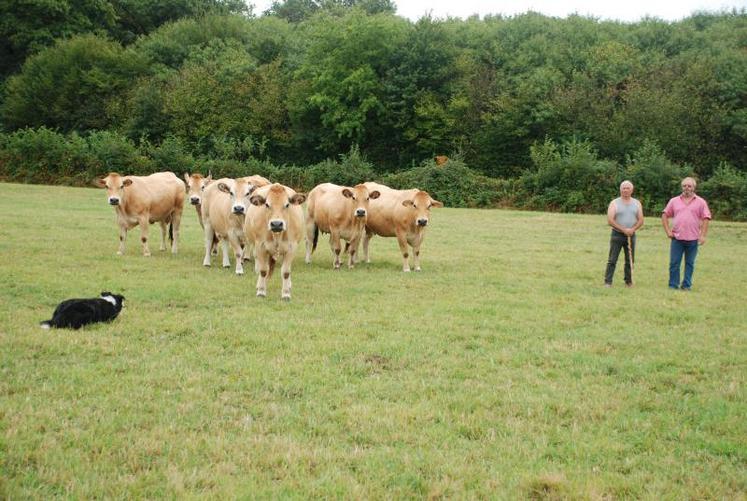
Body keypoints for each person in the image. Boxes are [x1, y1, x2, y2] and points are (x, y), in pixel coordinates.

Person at [661, 177, 711, 291]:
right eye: (684, 186)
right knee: (674, 263)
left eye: (689, 186)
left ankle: (686, 285)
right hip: (677, 238)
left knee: (690, 263)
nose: (687, 188)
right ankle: (673, 285)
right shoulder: (674, 201)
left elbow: (706, 218)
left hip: (693, 238)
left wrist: (702, 235)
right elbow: (664, 215)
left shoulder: (701, 202)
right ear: (681, 187)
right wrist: (668, 231)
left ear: (694, 187)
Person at [604, 180, 644, 287]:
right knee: (612, 259)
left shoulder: (637, 203)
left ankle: (628, 281)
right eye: (623, 188)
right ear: (620, 189)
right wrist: (623, 229)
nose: (625, 190)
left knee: (629, 260)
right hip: (617, 235)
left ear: (632, 190)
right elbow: (610, 220)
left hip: (631, 235)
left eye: (627, 188)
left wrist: (632, 229)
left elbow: (640, 220)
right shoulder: (614, 203)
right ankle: (608, 282)